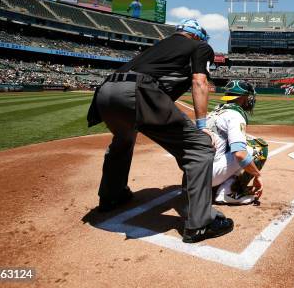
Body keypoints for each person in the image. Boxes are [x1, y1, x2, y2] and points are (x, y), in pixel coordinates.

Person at [87, 18, 233, 244]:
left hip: (105, 93)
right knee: (200, 148)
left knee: (123, 139)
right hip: (136, 91)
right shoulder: (200, 46)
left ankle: (111, 196)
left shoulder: (158, 47)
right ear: (197, 36)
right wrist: (202, 127)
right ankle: (200, 224)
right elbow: (199, 82)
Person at [207, 80, 266, 205]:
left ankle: (215, 188)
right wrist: (257, 175)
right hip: (210, 175)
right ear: (242, 97)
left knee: (239, 143)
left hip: (195, 174)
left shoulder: (216, 110)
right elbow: (240, 154)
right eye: (248, 96)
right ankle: (230, 193)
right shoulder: (235, 115)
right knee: (258, 147)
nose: (250, 99)